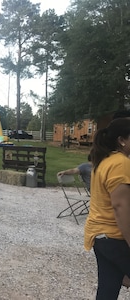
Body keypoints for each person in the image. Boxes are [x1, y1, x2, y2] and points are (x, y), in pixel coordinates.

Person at [84, 118, 130, 299]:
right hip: (114, 238)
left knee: (108, 291)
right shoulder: (121, 163)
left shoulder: (105, 160)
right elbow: (120, 207)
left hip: (100, 237)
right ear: (122, 140)